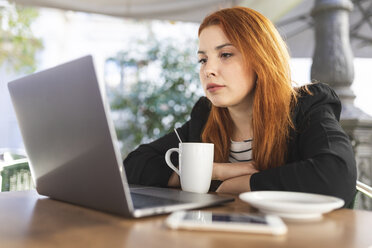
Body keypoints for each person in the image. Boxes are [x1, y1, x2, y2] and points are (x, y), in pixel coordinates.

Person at [124, 7, 357, 206]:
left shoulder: (306, 105)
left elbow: (336, 177)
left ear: (261, 60)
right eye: (203, 59)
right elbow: (134, 164)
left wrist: (242, 184)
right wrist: (214, 172)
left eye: (225, 54)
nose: (208, 70)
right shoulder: (206, 117)